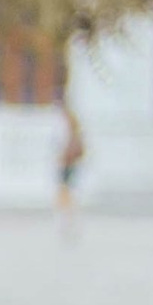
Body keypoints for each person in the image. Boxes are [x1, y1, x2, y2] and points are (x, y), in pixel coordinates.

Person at [56, 98, 87, 229]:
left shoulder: (69, 125)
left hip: (67, 161)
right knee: (67, 189)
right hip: (69, 161)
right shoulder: (73, 125)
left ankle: (68, 215)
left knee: (65, 189)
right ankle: (68, 214)